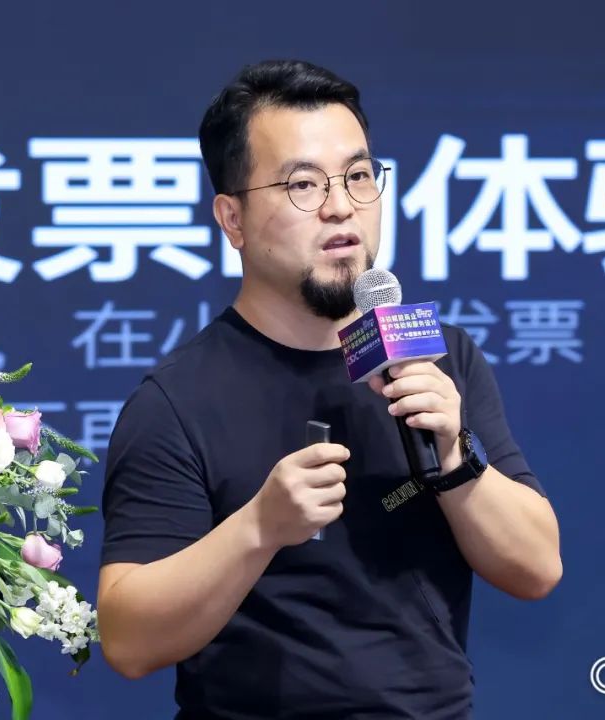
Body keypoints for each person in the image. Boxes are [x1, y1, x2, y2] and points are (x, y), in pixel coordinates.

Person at [97, 59, 562, 719]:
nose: (341, 206)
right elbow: (128, 641)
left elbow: (537, 568)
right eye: (303, 185)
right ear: (232, 219)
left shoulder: (439, 357)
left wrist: (455, 459)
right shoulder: (177, 401)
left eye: (359, 176)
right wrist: (258, 528)